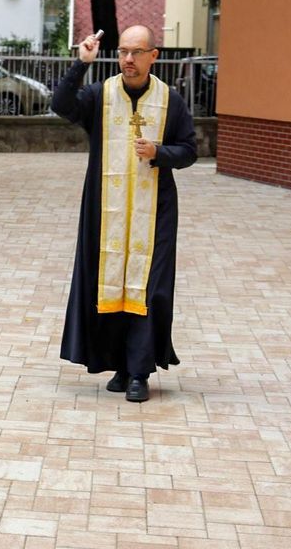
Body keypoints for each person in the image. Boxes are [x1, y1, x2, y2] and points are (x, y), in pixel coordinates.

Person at [51, 25, 197, 403]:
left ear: (154, 55)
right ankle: (118, 364)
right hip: (107, 210)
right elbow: (61, 105)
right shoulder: (101, 95)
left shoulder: (170, 101)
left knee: (149, 289)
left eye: (136, 52)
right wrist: (81, 64)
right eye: (122, 52)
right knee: (109, 284)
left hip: (155, 214)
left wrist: (159, 153)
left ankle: (139, 373)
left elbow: (189, 151)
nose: (128, 60)